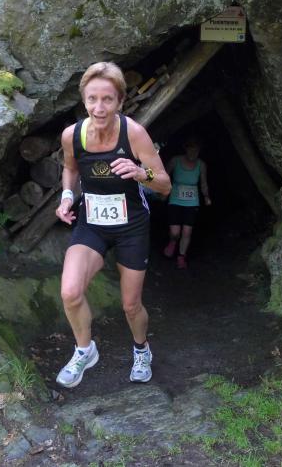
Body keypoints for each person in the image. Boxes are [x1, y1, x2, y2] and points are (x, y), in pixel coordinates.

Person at [54, 61, 171, 388]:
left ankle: (141, 349)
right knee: (70, 292)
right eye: (92, 99)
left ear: (120, 101)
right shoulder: (72, 135)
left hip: (131, 226)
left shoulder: (133, 133)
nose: (99, 107)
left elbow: (164, 184)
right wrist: (67, 197)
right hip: (92, 223)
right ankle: (84, 350)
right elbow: (71, 169)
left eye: (107, 99)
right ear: (84, 100)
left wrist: (141, 173)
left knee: (131, 305)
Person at [162, 137, 211, 269]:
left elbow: (203, 183)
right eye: (191, 149)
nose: (193, 153)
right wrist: (163, 192)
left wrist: (206, 196)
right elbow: (164, 175)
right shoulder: (175, 161)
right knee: (175, 232)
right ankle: (173, 242)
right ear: (186, 149)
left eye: (196, 150)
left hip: (192, 201)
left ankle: (181, 257)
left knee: (187, 231)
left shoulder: (201, 165)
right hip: (175, 199)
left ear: (199, 151)